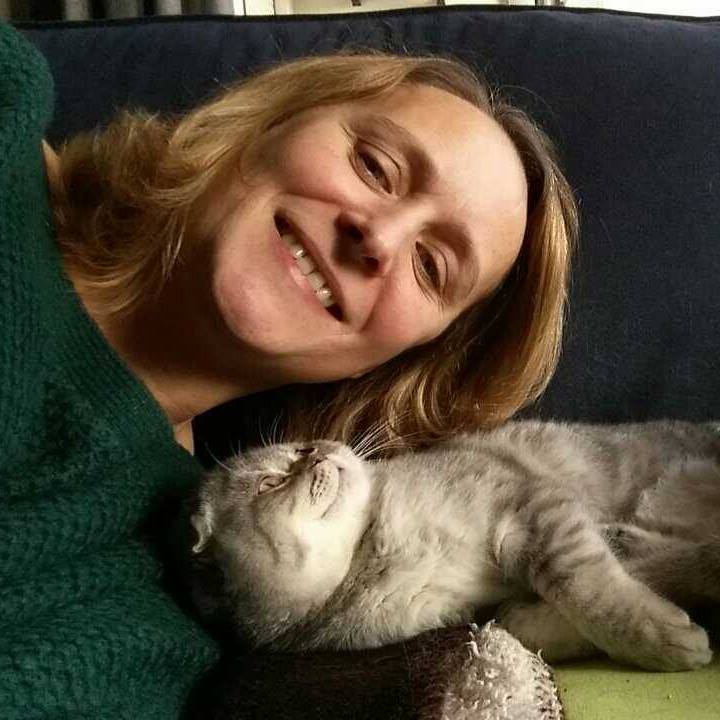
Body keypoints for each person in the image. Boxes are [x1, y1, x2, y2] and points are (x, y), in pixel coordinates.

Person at [0, 18, 578, 720]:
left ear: (398, 364)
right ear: (270, 120)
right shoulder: (8, 106)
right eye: (374, 166)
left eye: (431, 266)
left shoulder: (158, 620)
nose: (378, 237)